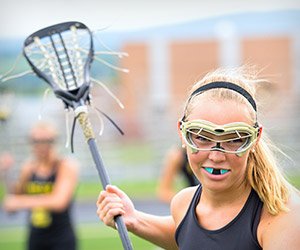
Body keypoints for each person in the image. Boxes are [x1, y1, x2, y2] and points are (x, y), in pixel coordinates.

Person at [96, 66, 300, 249]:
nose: (216, 156)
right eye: (202, 137)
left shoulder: (284, 214)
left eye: (235, 139)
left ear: (255, 139)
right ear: (182, 134)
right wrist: (134, 220)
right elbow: (185, 236)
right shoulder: (183, 204)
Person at [2, 121, 79, 250]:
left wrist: (19, 202)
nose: (41, 146)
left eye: (46, 141)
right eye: (36, 141)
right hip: (36, 238)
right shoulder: (28, 168)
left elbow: (59, 202)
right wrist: (6, 173)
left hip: (61, 239)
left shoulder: (65, 166)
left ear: (54, 141)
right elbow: (12, 204)